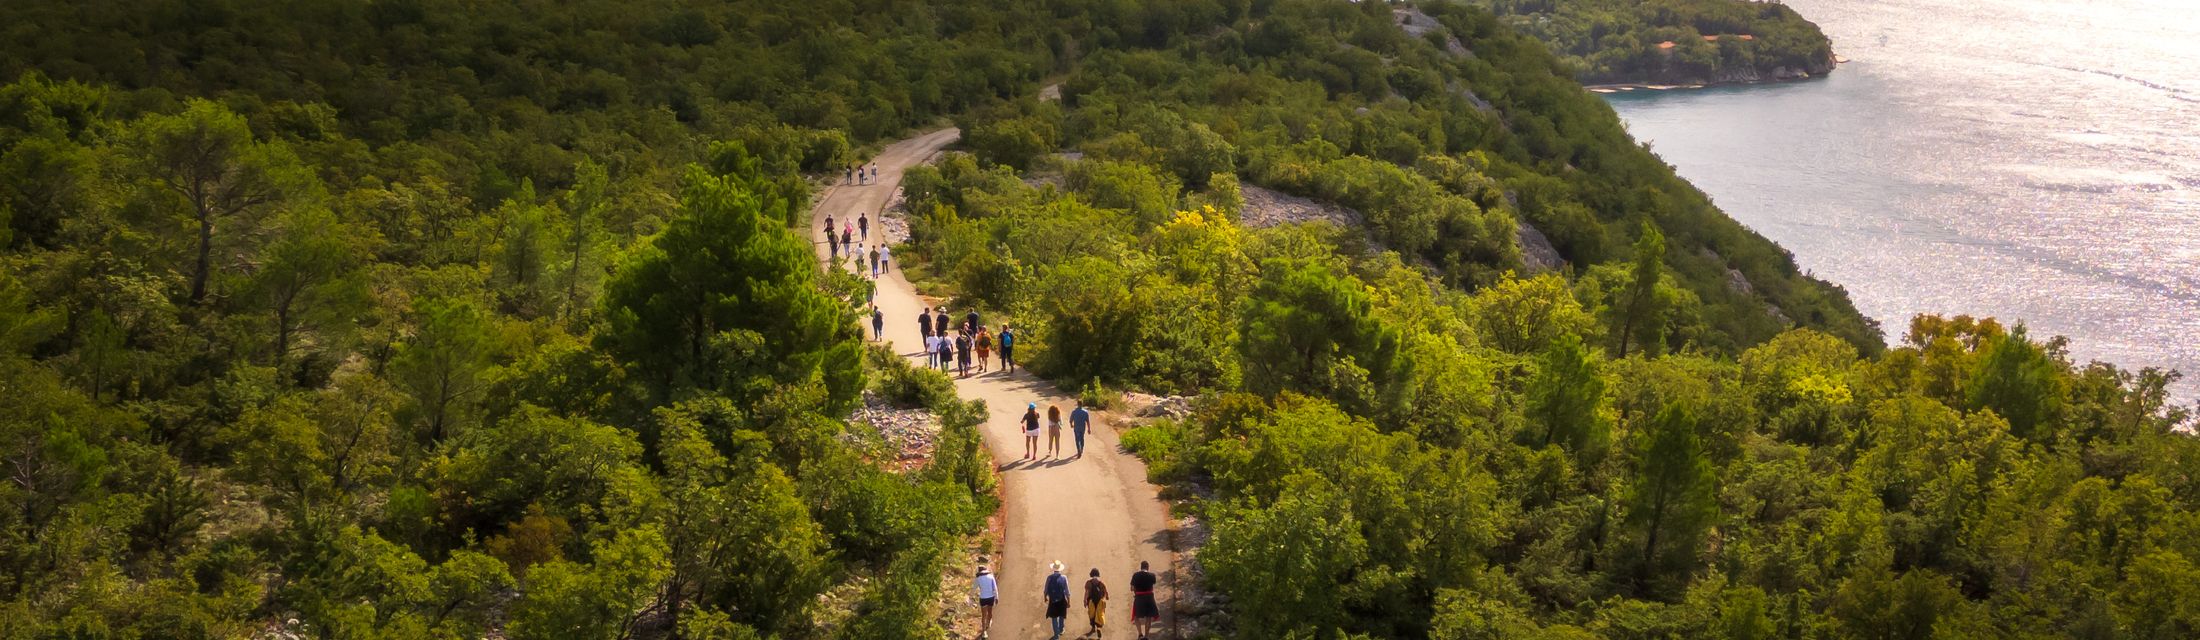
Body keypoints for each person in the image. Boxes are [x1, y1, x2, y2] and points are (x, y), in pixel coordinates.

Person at [1130, 562, 1159, 640]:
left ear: (1141, 567)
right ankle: (1146, 636)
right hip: (1149, 597)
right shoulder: (1152, 576)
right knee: (1148, 617)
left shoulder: (1136, 575)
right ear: (1148, 567)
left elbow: (1132, 588)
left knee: (1136, 616)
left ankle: (1140, 634)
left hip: (1139, 597)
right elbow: (1153, 583)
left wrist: (1137, 589)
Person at [1044, 561, 1072, 640]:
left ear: (1053, 569)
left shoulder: (1049, 578)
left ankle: (1056, 636)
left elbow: (1045, 589)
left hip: (1052, 600)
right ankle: (1061, 629)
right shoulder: (1063, 578)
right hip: (1061, 600)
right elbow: (1067, 591)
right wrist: (1069, 601)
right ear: (1060, 569)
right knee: (1061, 615)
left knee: (1054, 618)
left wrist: (1045, 597)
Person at [1083, 568, 1109, 638]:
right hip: (1099, 601)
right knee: (1099, 614)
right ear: (1098, 574)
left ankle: (1093, 627)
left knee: (1092, 614)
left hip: (1091, 601)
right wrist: (1106, 597)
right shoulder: (1101, 583)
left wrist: (1085, 601)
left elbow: (1087, 593)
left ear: (1091, 574)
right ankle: (1099, 627)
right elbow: (1105, 592)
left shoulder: (1088, 583)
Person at [975, 564, 999, 639]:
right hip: (990, 597)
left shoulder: (978, 579)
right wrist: (997, 597)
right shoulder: (991, 577)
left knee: (983, 615)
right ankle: (989, 623)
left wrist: (970, 599)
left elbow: (973, 589)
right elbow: (995, 588)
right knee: (990, 612)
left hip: (983, 598)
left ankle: (984, 631)